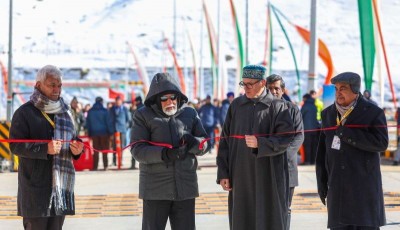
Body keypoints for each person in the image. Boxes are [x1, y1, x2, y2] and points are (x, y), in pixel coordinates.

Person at [217, 65, 294, 230]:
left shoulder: (278, 106)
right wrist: (223, 172)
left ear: (263, 83)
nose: (246, 88)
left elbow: (286, 138)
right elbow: (224, 141)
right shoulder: (236, 106)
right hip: (240, 175)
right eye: (243, 84)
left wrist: (262, 144)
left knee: (269, 218)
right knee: (242, 219)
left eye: (250, 84)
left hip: (269, 175)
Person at [131, 72, 210, 230]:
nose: (170, 102)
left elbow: (205, 144)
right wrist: (164, 154)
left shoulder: (190, 113)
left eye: (173, 97)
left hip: (185, 188)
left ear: (178, 96)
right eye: (164, 99)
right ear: (155, 99)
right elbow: (137, 150)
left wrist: (195, 143)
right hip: (155, 190)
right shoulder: (142, 115)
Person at [9, 65, 84, 230]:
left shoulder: (66, 113)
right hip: (35, 191)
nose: (56, 89)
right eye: (52, 85)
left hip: (60, 191)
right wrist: (45, 149)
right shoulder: (24, 113)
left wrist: (77, 150)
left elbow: (73, 139)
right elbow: (15, 146)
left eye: (59, 85)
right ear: (38, 85)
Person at [316, 72, 388, 230]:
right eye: (336, 88)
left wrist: (347, 134)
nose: (338, 92)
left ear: (355, 90)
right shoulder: (327, 114)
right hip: (337, 189)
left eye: (343, 88)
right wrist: (321, 183)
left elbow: (381, 143)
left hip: (363, 190)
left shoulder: (373, 112)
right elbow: (322, 153)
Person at [266, 74, 304, 230]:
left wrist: (281, 155)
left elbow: (299, 137)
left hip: (286, 168)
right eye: (270, 89)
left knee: (284, 209)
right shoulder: (260, 110)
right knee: (265, 209)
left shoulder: (292, 109)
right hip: (264, 168)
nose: (273, 92)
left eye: (277, 88)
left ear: (282, 90)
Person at [86, 96, 113, 170]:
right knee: (105, 150)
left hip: (94, 133)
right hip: (104, 133)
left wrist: (89, 133)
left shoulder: (90, 111)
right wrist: (111, 133)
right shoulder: (105, 111)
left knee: (95, 151)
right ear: (101, 102)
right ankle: (105, 166)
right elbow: (108, 122)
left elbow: (88, 124)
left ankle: (95, 167)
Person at [109, 96, 131, 166]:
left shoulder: (124, 109)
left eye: (119, 101)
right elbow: (109, 119)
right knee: (114, 146)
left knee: (122, 146)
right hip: (114, 130)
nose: (118, 102)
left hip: (122, 130)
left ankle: (120, 161)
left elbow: (128, 120)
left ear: (121, 101)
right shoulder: (112, 109)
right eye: (117, 101)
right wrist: (111, 128)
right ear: (115, 101)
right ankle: (114, 161)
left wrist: (125, 127)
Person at [301, 93, 320, 164]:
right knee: (314, 145)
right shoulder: (314, 105)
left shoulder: (305, 106)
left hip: (307, 129)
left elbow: (300, 116)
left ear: (305, 98)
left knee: (307, 145)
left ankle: (307, 161)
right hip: (314, 129)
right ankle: (313, 160)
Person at [129, 96, 144, 169]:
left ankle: (133, 164)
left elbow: (131, 119)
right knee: (143, 148)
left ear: (137, 101)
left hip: (135, 130)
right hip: (144, 131)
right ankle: (143, 164)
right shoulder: (145, 108)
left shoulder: (136, 109)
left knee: (134, 147)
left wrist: (131, 109)